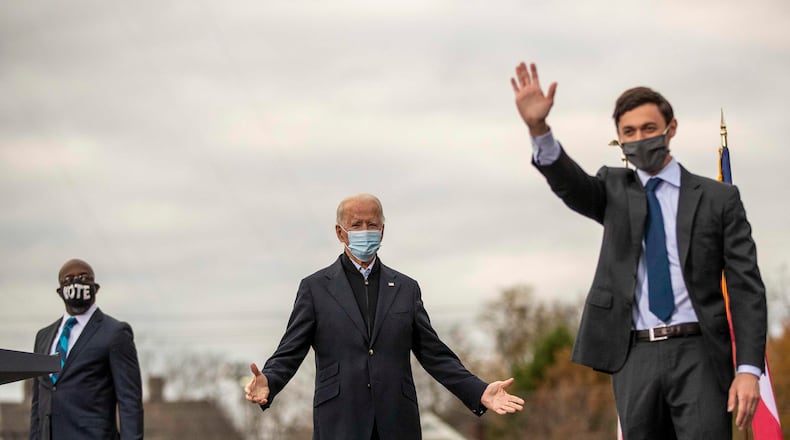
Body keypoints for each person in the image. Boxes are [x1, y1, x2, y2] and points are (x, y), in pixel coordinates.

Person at [509, 61, 768, 439]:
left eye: (649, 128)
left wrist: (747, 369)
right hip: (634, 355)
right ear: (619, 137)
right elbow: (570, 184)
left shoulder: (718, 199)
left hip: (699, 351)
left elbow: (746, 287)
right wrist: (538, 128)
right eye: (628, 132)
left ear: (671, 128)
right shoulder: (612, 189)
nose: (640, 138)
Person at [244, 194, 524, 440]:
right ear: (341, 233)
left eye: (372, 224)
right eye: (356, 225)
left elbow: (435, 354)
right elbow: (291, 349)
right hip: (340, 421)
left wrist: (479, 391)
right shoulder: (315, 288)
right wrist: (270, 379)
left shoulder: (406, 288)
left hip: (397, 421)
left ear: (382, 230)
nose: (365, 231)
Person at [30, 258, 144, 440]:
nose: (76, 282)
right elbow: (38, 402)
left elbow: (130, 402)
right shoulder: (43, 337)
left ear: (95, 287)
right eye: (68, 279)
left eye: (84, 277)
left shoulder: (115, 332)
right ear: (59, 291)